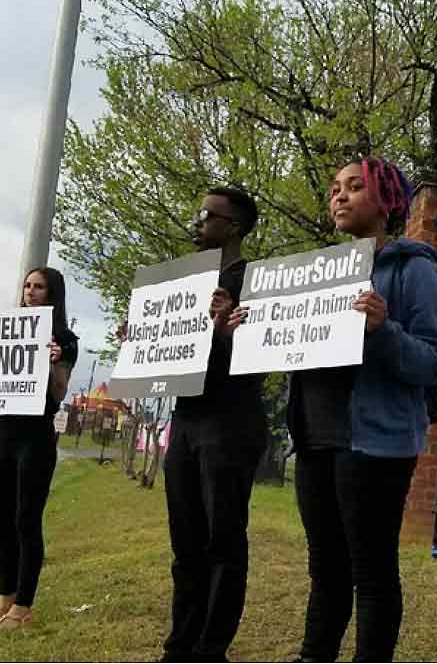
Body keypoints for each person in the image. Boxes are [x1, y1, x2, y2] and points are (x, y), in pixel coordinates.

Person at [226, 157, 437, 662]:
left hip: (374, 443)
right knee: (325, 568)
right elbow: (291, 347)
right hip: (316, 439)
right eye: (333, 189)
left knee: (370, 571)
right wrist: (250, 331)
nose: (339, 197)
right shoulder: (316, 275)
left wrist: (383, 329)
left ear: (388, 201)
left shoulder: (414, 271)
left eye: (354, 187)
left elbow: (435, 363)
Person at [153, 186, 268, 662]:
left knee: (222, 541)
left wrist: (226, 332)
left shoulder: (256, 280)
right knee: (186, 543)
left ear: (234, 227)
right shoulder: (183, 281)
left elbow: (260, 362)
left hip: (229, 422)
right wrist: (143, 336)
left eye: (206, 214)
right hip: (186, 421)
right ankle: (180, 646)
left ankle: (210, 649)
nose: (196, 221)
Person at [0, 268, 79, 631]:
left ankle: (24, 607)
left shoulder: (64, 338)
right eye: (27, 285)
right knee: (1, 522)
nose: (30, 291)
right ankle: (4, 602)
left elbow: (58, 395)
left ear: (52, 292)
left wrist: (57, 364)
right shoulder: (2, 328)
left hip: (36, 436)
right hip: (3, 435)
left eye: (39, 286)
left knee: (26, 520)